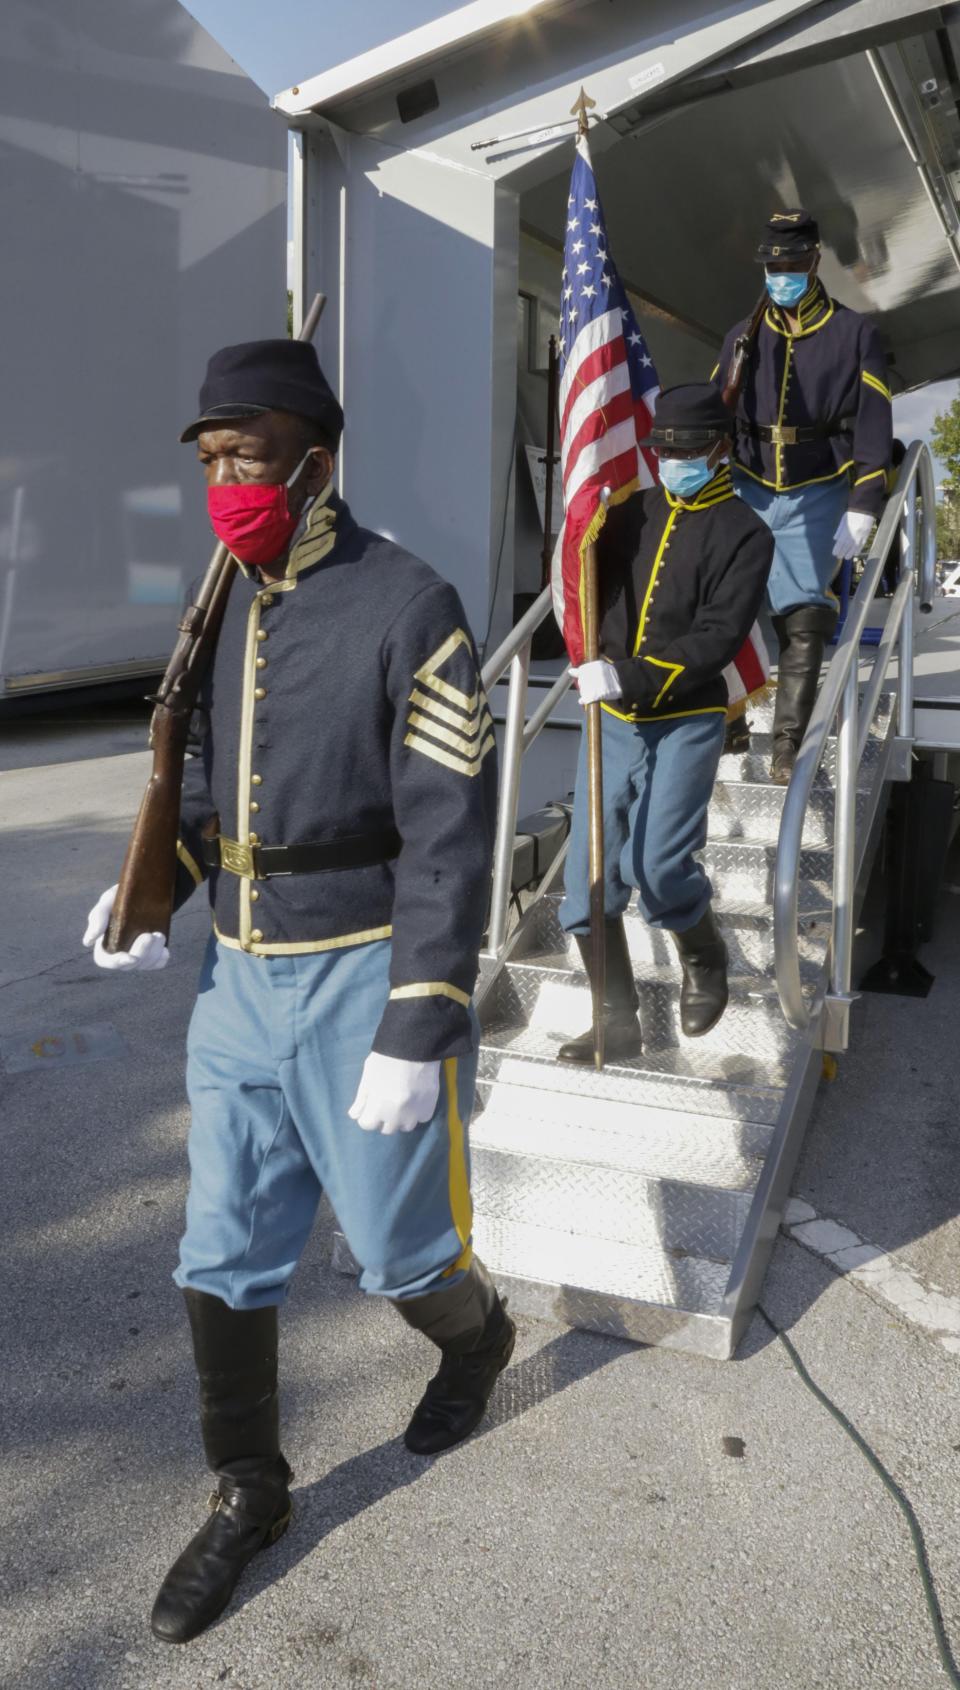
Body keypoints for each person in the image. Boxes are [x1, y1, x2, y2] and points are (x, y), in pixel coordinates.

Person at [82, 338, 512, 1644]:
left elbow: (451, 830)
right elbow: (204, 773)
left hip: (364, 976)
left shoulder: (409, 602)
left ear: (318, 462)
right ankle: (251, 1490)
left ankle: (476, 1335)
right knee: (221, 1244)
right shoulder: (216, 595)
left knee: (395, 1248)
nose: (226, 481)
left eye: (249, 454)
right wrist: (153, 885)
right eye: (211, 457)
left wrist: (421, 1013)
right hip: (240, 981)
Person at [557, 384, 774, 1065]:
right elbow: (593, 583)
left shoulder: (746, 532)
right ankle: (616, 1023)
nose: (671, 461)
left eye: (685, 451)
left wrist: (627, 675)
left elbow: (715, 640)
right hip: (615, 716)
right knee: (586, 883)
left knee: (656, 865)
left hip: (687, 713)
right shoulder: (629, 514)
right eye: (663, 451)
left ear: (719, 451)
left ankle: (705, 955)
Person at [714, 209, 892, 782]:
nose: (779, 275)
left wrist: (865, 501)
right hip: (747, 479)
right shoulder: (742, 335)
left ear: (814, 262)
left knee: (804, 613)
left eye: (790, 264)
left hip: (816, 482)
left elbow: (873, 422)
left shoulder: (855, 333)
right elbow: (721, 410)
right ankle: (731, 720)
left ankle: (787, 746)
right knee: (726, 601)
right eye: (771, 266)